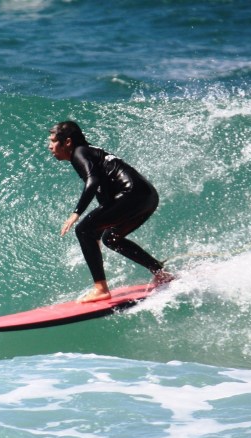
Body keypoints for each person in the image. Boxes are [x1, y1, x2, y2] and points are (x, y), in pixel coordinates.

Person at [48, 121, 174, 303]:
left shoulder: (79, 152)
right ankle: (161, 273)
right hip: (147, 196)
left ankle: (100, 289)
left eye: (53, 141)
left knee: (82, 230)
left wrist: (76, 213)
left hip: (131, 194)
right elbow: (105, 196)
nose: (50, 146)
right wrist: (95, 233)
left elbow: (93, 181)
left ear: (67, 142)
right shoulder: (90, 152)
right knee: (111, 238)